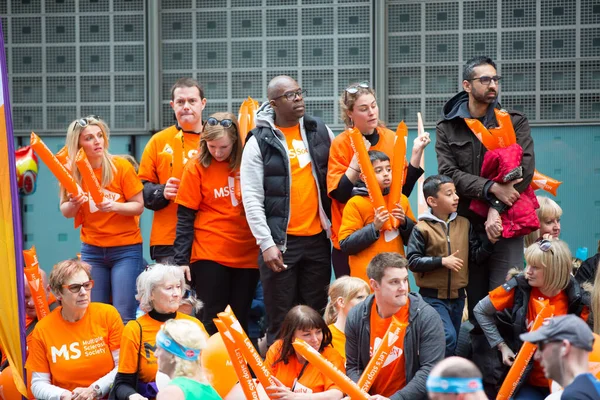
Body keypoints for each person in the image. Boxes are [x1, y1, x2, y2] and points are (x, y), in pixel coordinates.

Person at [435, 56, 535, 325]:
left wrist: (496, 207)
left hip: (507, 223)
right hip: (468, 226)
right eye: (485, 80)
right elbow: (449, 175)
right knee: (478, 303)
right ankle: (480, 365)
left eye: (495, 79)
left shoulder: (513, 122)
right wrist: (491, 188)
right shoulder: (447, 128)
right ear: (467, 85)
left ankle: (508, 363)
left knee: (505, 300)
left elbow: (524, 170)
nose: (493, 85)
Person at [241, 75, 333, 346]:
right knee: (281, 320)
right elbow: (252, 198)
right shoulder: (259, 141)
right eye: (290, 95)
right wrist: (267, 244)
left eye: (299, 93)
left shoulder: (319, 130)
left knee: (315, 317)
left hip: (317, 240)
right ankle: (278, 383)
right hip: (281, 245)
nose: (298, 98)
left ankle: (314, 381)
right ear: (274, 103)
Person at [327, 81, 429, 277]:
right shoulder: (341, 143)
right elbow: (339, 194)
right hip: (353, 236)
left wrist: (416, 153)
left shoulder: (390, 138)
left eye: (373, 105)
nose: (372, 112)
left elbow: (401, 191)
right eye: (363, 109)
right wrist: (358, 161)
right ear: (350, 114)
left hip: (389, 237)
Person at [173, 112, 260, 335]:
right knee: (211, 316)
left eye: (224, 147)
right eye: (212, 147)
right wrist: (181, 260)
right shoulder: (196, 167)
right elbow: (185, 217)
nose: (218, 153)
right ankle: (209, 367)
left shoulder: (249, 163)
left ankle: (236, 368)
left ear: (235, 143)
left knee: (239, 318)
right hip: (209, 252)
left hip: (246, 255)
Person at [473, 238, 590, 399]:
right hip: (527, 382)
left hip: (565, 383)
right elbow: (480, 310)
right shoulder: (520, 287)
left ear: (554, 270)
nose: (527, 271)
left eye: (535, 267)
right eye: (527, 264)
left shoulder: (578, 301)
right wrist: (501, 346)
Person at [59, 115, 144, 322]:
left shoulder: (120, 167)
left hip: (125, 248)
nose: (97, 141)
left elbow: (139, 206)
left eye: (100, 136)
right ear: (78, 143)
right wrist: (75, 202)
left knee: (123, 314)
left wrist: (114, 206)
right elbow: (65, 210)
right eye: (89, 138)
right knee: (95, 313)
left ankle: (124, 355)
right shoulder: (72, 172)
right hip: (92, 250)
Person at [407, 174, 495, 357]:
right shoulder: (421, 228)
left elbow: (476, 256)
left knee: (452, 343)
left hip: (458, 298)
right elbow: (413, 261)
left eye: (455, 192)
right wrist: (442, 261)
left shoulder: (464, 224)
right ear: (432, 201)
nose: (456, 197)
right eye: (449, 194)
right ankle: (432, 377)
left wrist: (489, 242)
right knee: (447, 337)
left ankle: (442, 379)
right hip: (432, 298)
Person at [345, 252, 445, 399]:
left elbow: (431, 371)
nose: (403, 287)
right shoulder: (357, 316)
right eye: (394, 282)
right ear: (374, 285)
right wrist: (361, 395)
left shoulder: (426, 317)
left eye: (405, 280)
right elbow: (353, 366)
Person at [25, 259, 124, 400]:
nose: (83, 292)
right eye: (75, 287)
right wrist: (63, 395)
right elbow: (38, 383)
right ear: (58, 293)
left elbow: (123, 366)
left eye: (87, 285)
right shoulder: (43, 328)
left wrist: (94, 390)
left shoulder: (108, 315)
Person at [111, 264, 208, 400]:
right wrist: (133, 396)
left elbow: (210, 369)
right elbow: (122, 384)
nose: (177, 293)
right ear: (151, 293)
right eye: (169, 288)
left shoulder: (193, 325)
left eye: (178, 287)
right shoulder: (135, 329)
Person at [138, 78, 207, 264]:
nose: (186, 106)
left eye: (192, 101)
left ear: (203, 103)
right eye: (180, 102)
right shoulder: (158, 141)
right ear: (172, 105)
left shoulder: (216, 140)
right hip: (168, 239)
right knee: (172, 292)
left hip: (210, 236)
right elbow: (140, 188)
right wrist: (162, 191)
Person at [338, 150, 416, 284]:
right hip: (366, 279)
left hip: (396, 276)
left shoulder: (401, 199)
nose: (386, 174)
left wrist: (404, 222)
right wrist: (374, 227)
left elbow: (415, 240)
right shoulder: (356, 203)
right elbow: (346, 245)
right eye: (378, 170)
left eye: (388, 169)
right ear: (363, 177)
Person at [264, 305, 344, 399]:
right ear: (291, 337)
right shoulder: (278, 349)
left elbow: (337, 394)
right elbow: (262, 384)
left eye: (318, 332)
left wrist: (296, 397)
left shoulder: (330, 355)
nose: (315, 339)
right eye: (307, 334)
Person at [520, 314, 600, 400]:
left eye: (542, 346)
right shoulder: (592, 387)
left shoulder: (573, 396)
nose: (537, 356)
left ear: (565, 347)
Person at [155, 319, 221, 400]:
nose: (155, 354)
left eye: (159, 349)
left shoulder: (172, 393)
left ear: (172, 355)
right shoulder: (209, 389)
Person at [323, 276, 370, 361]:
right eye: (360, 297)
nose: (367, 302)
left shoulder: (372, 332)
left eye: (367, 298)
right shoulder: (325, 337)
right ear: (341, 302)